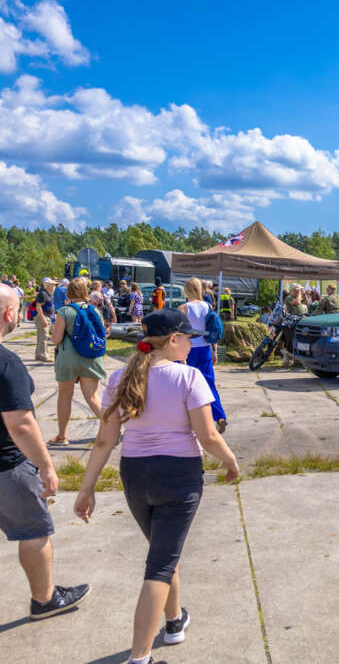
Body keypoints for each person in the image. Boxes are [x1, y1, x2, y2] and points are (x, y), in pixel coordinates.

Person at [73, 309, 240, 663]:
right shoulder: (189, 377)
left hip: (135, 475)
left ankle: (174, 621)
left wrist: (86, 488)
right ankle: (141, 657)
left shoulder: (119, 378)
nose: (191, 344)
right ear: (173, 340)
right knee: (160, 566)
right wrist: (231, 461)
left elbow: (104, 441)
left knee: (163, 552)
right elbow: (208, 436)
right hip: (179, 476)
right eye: (188, 338)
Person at [0, 283, 91, 620]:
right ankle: (45, 599)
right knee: (34, 530)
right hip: (7, 468)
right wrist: (46, 465)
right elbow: (21, 425)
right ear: (9, 314)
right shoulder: (6, 364)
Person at [49, 277, 106, 446]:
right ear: (85, 292)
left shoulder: (64, 311)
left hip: (68, 358)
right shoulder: (94, 311)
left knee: (65, 396)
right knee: (93, 397)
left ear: (68, 293)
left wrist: (53, 330)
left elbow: (57, 339)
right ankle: (112, 431)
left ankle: (62, 437)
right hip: (91, 357)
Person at [179, 278, 227, 434]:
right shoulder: (208, 306)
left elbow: (179, 333)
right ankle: (220, 416)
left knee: (185, 387)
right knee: (209, 385)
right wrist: (214, 351)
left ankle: (187, 421)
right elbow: (213, 329)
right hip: (205, 349)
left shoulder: (184, 308)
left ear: (186, 290)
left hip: (188, 350)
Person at [34, 278, 57, 362]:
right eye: (53, 285)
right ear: (48, 285)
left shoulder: (47, 294)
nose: (54, 286)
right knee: (43, 336)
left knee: (42, 336)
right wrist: (43, 319)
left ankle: (39, 354)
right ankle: (43, 355)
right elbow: (38, 307)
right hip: (42, 317)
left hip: (46, 316)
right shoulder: (43, 294)